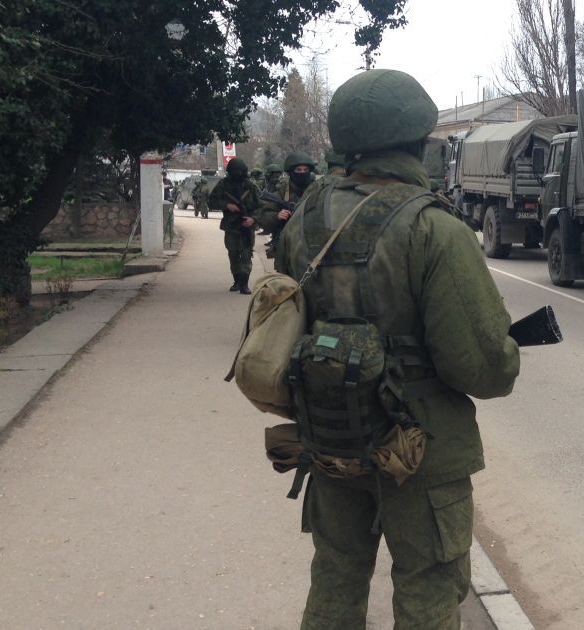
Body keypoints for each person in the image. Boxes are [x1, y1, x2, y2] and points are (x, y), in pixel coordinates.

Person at [272, 69, 520, 629]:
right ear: (417, 140)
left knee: (335, 578)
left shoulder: (305, 222)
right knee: (429, 589)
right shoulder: (433, 227)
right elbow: (481, 367)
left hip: (331, 435)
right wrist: (506, 352)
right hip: (419, 448)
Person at [208, 158, 259, 294]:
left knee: (246, 255)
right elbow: (211, 201)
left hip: (247, 226)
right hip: (231, 226)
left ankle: (244, 284)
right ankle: (237, 281)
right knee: (233, 254)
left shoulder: (251, 186)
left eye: (240, 171)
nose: (238, 174)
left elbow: (262, 206)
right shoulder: (223, 185)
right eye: (235, 171)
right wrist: (227, 205)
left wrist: (253, 219)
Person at [257, 152, 318, 256]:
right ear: (291, 172)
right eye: (298, 170)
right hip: (288, 247)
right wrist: (276, 216)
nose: (302, 173)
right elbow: (263, 218)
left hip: (313, 245)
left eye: (305, 170)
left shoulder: (317, 190)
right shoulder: (281, 193)